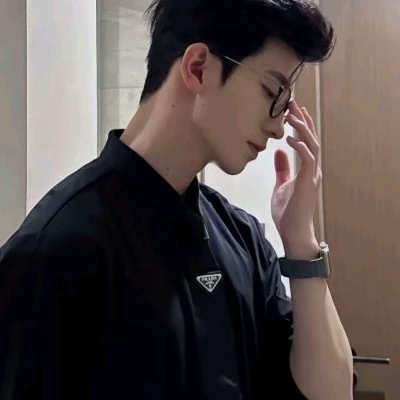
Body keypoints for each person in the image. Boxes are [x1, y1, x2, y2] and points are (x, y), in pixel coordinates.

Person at [0, 0, 354, 399]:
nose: (277, 128)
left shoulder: (244, 239)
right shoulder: (56, 248)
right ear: (198, 68)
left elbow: (331, 394)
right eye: (272, 92)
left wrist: (301, 242)